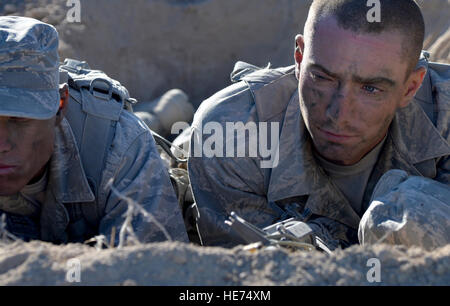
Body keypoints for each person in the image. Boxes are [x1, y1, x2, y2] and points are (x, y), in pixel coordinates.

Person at [188, 0, 450, 250]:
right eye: (322, 77)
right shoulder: (233, 132)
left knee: (411, 209)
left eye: (370, 88)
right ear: (299, 58)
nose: (339, 113)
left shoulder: (444, 115)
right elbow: (250, 276)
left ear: (411, 87)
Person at [0, 16, 188, 245]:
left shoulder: (119, 143)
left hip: (103, 138)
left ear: (60, 104)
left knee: (178, 150)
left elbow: (153, 267)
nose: (2, 144)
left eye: (19, 119)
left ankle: (161, 115)